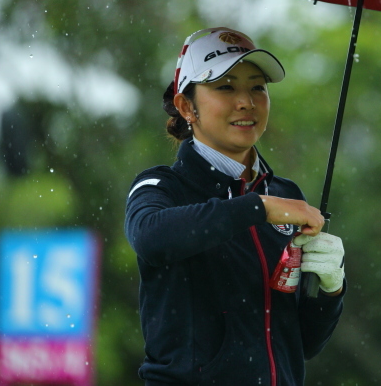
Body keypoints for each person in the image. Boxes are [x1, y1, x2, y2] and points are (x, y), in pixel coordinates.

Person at [124, 27, 346, 386]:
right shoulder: (162, 186)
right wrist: (258, 207)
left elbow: (303, 343)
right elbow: (152, 237)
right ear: (186, 106)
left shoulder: (286, 194)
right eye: (225, 86)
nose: (246, 101)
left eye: (257, 87)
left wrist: (330, 290)